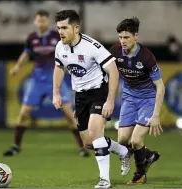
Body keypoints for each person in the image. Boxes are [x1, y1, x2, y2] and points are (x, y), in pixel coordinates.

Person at [53, 10, 130, 188]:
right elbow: (59, 68)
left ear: (76, 28)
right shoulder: (60, 46)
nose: (61, 32)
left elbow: (113, 71)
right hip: (80, 95)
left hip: (99, 92)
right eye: (58, 28)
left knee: (96, 134)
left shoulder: (92, 47)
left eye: (64, 27)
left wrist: (110, 100)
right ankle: (124, 151)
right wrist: (56, 93)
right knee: (88, 143)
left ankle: (105, 180)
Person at [3, 10, 89, 158]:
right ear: (35, 22)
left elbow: (70, 51)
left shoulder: (57, 36)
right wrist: (17, 67)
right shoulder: (32, 38)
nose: (41, 23)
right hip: (37, 80)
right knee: (24, 113)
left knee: (69, 115)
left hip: (55, 79)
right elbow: (26, 54)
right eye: (38, 21)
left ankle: (83, 147)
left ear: (48, 22)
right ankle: (16, 146)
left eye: (43, 21)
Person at [110, 17, 165, 184]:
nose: (122, 41)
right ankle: (148, 156)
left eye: (126, 37)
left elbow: (160, 87)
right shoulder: (115, 51)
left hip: (148, 99)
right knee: (122, 142)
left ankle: (140, 174)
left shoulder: (147, 57)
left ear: (136, 37)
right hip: (129, 98)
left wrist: (156, 115)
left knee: (135, 140)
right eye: (120, 37)